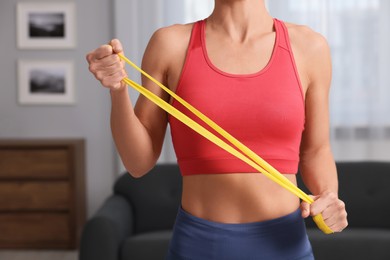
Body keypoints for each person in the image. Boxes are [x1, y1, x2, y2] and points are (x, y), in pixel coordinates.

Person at [86, 0, 348, 259]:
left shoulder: (310, 47)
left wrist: (329, 198)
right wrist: (118, 90)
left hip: (285, 247)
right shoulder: (170, 44)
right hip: (199, 246)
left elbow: (316, 151)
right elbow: (137, 163)